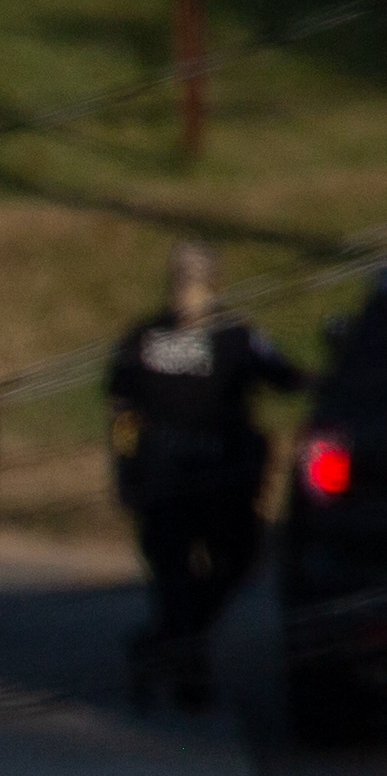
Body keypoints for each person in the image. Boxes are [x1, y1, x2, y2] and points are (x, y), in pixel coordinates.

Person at [113, 239, 309, 712]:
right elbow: (122, 415)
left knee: (224, 567)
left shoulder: (220, 338)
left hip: (216, 482)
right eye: (182, 281)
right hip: (181, 482)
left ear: (213, 286)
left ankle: (168, 648)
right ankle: (185, 667)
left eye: (195, 282)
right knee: (181, 579)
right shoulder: (220, 337)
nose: (187, 292)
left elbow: (285, 377)